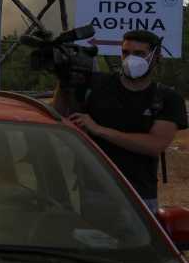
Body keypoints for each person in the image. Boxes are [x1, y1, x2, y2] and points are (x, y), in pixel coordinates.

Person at [62, 30, 187, 213]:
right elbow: (59, 115)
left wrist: (99, 129)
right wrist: (63, 80)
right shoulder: (96, 85)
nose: (130, 59)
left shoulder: (168, 98)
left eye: (139, 54)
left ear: (156, 56)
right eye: (126, 52)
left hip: (139, 194)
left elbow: (154, 145)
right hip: (93, 191)